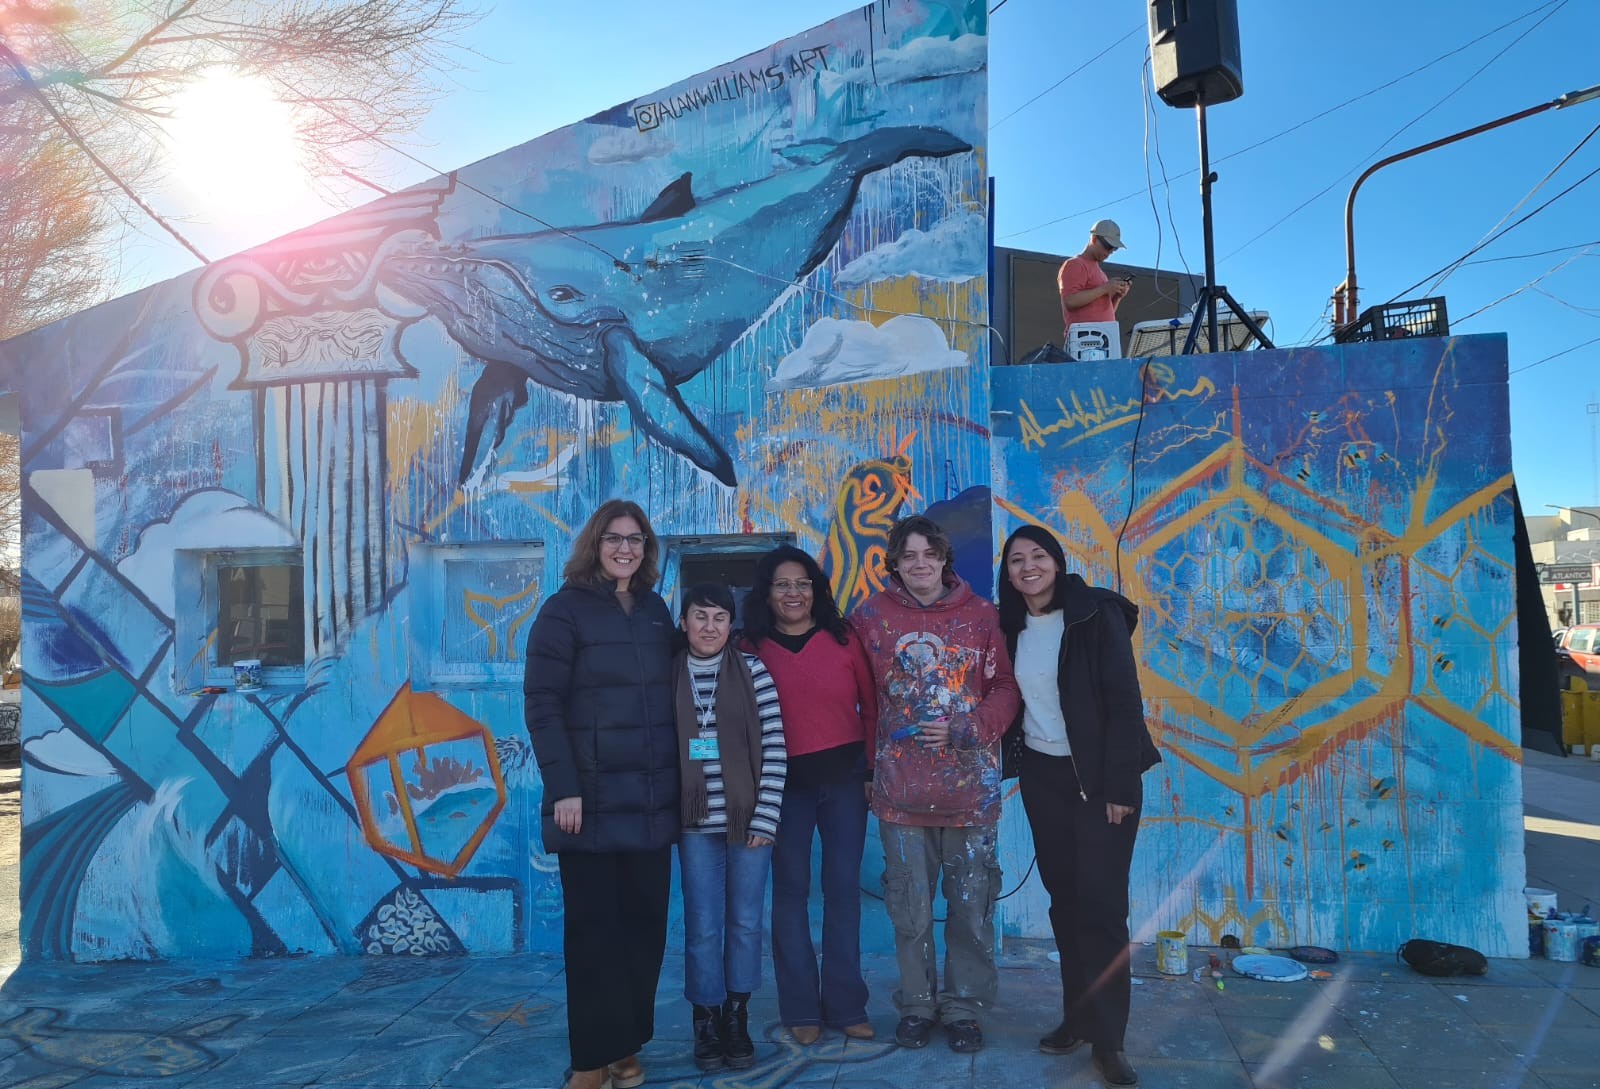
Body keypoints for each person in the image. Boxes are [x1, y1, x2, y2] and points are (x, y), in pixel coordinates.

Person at [997, 525, 1161, 1088]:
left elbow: (1124, 701)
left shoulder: (1095, 615)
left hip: (1101, 784)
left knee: (1102, 910)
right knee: (1065, 905)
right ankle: (1078, 1017)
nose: (1028, 567)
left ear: (1058, 562)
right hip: (1045, 779)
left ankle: (1110, 1041)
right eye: (1016, 560)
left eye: (1038, 556)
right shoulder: (1010, 625)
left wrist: (1120, 788)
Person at [523, 499, 678, 1089]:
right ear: (596, 544)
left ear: (646, 548)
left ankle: (626, 1045)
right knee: (593, 936)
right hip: (585, 805)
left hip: (650, 802)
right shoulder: (563, 612)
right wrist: (563, 787)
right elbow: (541, 704)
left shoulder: (657, 611)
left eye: (636, 539)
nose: (626, 549)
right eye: (615, 538)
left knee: (645, 930)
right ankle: (591, 1059)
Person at [850, 515, 1019, 1055]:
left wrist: (969, 728)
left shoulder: (981, 615)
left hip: (971, 794)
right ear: (894, 564)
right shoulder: (870, 618)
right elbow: (863, 702)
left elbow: (1005, 687)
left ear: (944, 559)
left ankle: (964, 1007)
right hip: (899, 795)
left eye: (929, 554)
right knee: (909, 908)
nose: (919, 564)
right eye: (908, 556)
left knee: (970, 907)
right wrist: (868, 773)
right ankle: (918, 1005)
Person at [741, 545, 879, 1045]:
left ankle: (846, 1006)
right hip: (782, 790)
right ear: (767, 592)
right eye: (782, 584)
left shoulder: (844, 639)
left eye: (802, 583)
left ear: (816, 590)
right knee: (791, 894)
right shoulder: (749, 648)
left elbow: (873, 706)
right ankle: (800, 1007)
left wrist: (869, 770)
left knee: (843, 891)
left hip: (844, 783)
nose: (793, 593)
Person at [673, 582, 788, 1072]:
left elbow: (776, 746)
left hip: (748, 824)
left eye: (720, 618)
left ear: (731, 625)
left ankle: (737, 1014)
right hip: (694, 824)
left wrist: (765, 816)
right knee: (702, 927)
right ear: (684, 623)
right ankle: (705, 1015)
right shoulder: (667, 675)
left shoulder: (754, 672)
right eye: (700, 616)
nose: (709, 627)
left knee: (744, 922)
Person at [1058, 218, 1132, 337]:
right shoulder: (1075, 264)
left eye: (1114, 248)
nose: (1111, 252)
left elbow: (1104, 313)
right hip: (1084, 339)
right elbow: (1070, 301)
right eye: (1108, 246)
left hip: (1103, 338)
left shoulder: (1100, 273)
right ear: (1094, 239)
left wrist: (1117, 297)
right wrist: (1105, 288)